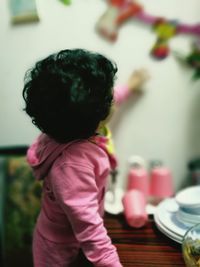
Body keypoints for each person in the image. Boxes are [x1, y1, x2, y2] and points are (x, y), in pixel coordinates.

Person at [23, 48, 148, 267]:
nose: (114, 99)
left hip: (70, 236)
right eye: (110, 98)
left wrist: (130, 85)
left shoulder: (62, 123)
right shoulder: (73, 167)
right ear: (98, 115)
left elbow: (108, 101)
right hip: (58, 252)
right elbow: (91, 233)